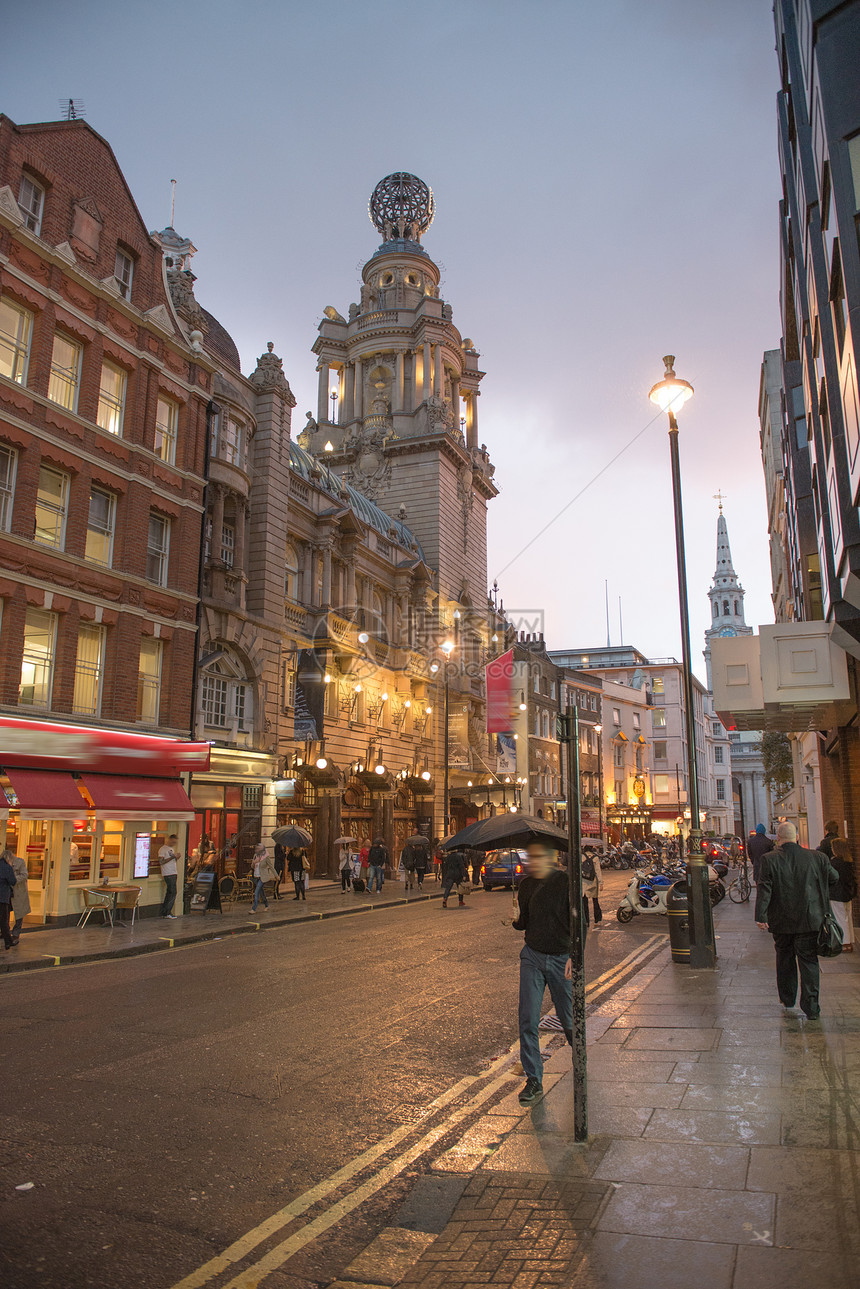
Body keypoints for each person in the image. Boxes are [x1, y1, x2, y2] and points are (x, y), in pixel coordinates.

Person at [755, 821, 840, 1020]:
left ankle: (787, 999)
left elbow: (764, 888)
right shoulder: (818, 857)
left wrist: (761, 916)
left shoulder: (769, 859)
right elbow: (834, 878)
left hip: (781, 921)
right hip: (811, 920)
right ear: (797, 837)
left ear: (779, 839)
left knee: (784, 959)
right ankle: (812, 1008)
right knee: (809, 961)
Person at [511, 841, 574, 1105]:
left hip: (561, 957)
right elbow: (523, 923)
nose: (532, 862)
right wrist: (515, 917)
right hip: (533, 955)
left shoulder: (566, 883)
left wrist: (574, 955)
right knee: (527, 1018)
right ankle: (534, 1079)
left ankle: (580, 1060)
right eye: (530, 857)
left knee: (569, 1019)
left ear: (551, 858)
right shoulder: (526, 886)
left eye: (537, 857)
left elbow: (579, 921)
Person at [829, 837, 856, 953]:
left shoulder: (834, 863)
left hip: (836, 894)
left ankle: (844, 943)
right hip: (847, 894)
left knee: (839, 918)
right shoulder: (848, 862)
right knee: (847, 917)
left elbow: (830, 878)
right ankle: (850, 940)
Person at [7, 848, 30, 944]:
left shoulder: (20, 862)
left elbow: (24, 875)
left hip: (18, 892)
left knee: (18, 914)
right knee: (5, 912)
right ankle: (6, 932)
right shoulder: (3, 863)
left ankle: (16, 934)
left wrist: (13, 879)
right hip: (6, 892)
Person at [250, 843, 276, 913]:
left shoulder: (266, 857)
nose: (257, 850)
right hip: (256, 876)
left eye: (258, 849)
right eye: (256, 849)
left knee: (256, 891)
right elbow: (252, 867)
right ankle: (266, 905)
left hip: (262, 877)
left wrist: (276, 875)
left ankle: (253, 909)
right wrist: (253, 863)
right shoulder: (255, 856)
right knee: (261, 892)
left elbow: (271, 866)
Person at [158, 834, 180, 919]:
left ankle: (165, 912)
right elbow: (161, 861)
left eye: (175, 842)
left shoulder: (171, 849)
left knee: (170, 893)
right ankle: (167, 912)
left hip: (173, 872)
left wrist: (176, 858)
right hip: (168, 873)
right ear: (169, 840)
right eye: (173, 841)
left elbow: (172, 860)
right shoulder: (163, 849)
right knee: (173, 892)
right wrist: (173, 857)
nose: (174, 843)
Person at [581, 848, 603, 928]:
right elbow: (598, 871)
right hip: (593, 881)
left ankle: (586, 921)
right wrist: (601, 883)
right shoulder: (595, 858)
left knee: (584, 902)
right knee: (595, 900)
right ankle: (597, 919)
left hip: (584, 882)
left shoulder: (582, 857)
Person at [0, 848, 17, 950]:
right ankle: (8, 942)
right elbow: (13, 881)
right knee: (4, 920)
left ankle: (9, 941)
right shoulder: (7, 867)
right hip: (2, 898)